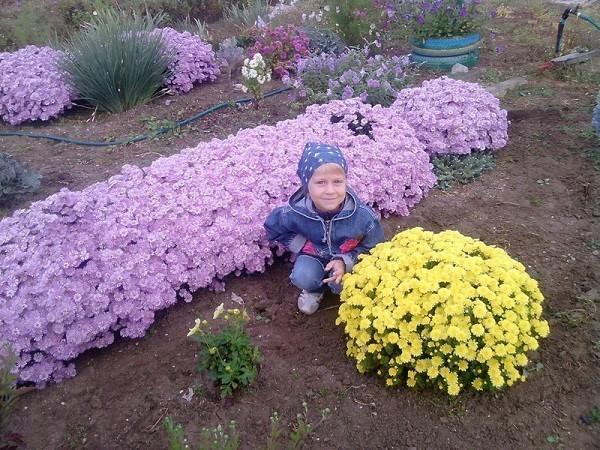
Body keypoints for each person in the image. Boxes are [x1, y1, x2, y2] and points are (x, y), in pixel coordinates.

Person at [264, 142, 385, 315]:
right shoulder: (295, 212)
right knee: (303, 276)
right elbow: (273, 226)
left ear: (346, 182)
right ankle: (315, 289)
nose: (330, 190)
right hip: (313, 256)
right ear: (306, 186)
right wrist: (303, 245)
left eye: (337, 182)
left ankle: (341, 288)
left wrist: (346, 261)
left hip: (347, 260)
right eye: (320, 182)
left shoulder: (363, 217)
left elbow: (376, 246)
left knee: (341, 285)